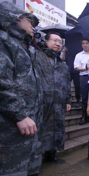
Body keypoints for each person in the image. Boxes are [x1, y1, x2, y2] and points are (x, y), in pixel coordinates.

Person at [0, 2, 42, 176]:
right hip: (7, 125)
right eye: (29, 21)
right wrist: (19, 114)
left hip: (26, 125)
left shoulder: (23, 46)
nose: (33, 26)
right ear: (15, 19)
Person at [34, 32, 71, 163]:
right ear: (46, 41)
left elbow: (67, 84)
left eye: (60, 42)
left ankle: (52, 155)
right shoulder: (37, 57)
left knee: (57, 129)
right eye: (54, 41)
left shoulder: (63, 65)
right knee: (42, 130)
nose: (57, 44)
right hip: (42, 103)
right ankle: (37, 160)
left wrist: (68, 100)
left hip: (59, 104)